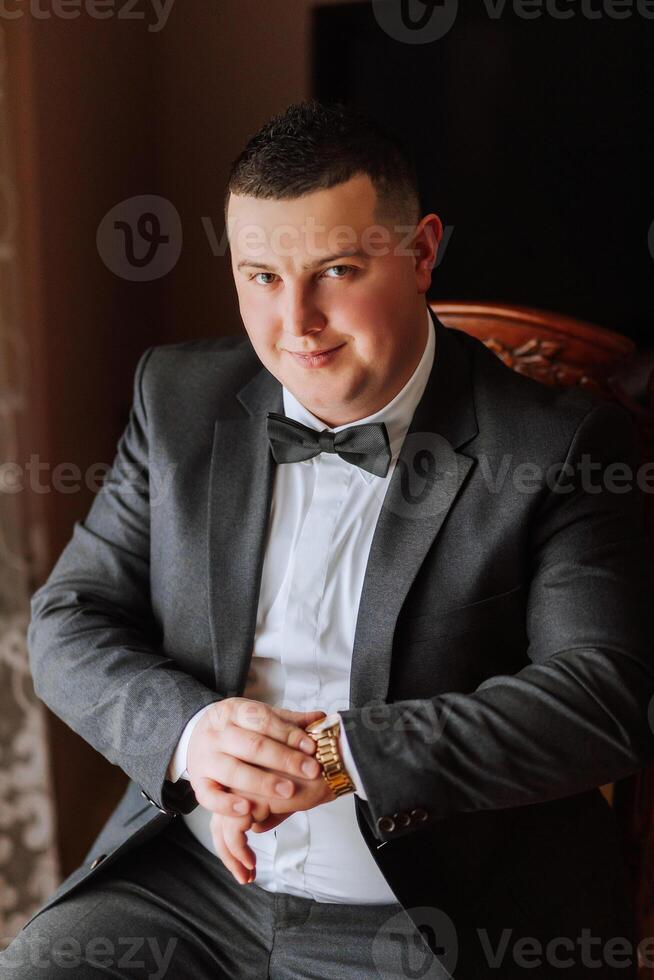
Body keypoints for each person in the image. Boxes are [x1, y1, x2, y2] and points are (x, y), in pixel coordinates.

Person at [3, 99, 654, 979]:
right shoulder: (179, 399)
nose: (296, 322)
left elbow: (604, 698)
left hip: (437, 916)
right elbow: (68, 619)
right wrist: (195, 736)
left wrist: (341, 756)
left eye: (337, 270)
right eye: (262, 276)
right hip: (191, 889)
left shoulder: (557, 446)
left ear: (421, 253)